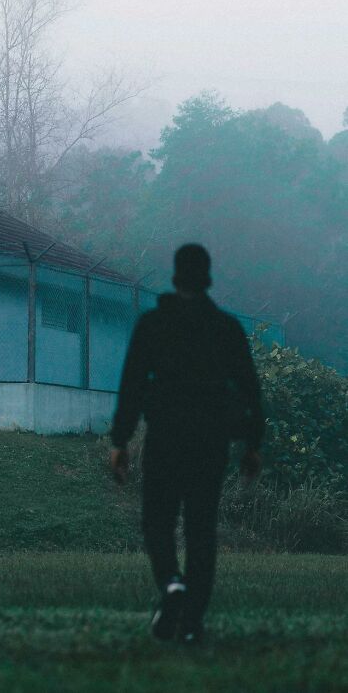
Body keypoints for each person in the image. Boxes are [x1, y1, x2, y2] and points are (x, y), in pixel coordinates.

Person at [109, 244, 264, 644]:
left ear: (176, 275)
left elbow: (132, 384)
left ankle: (171, 583)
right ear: (207, 277)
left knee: (157, 520)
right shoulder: (226, 328)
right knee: (201, 529)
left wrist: (120, 439)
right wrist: (252, 444)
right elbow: (250, 389)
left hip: (166, 434)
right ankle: (192, 621)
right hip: (211, 439)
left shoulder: (153, 324)